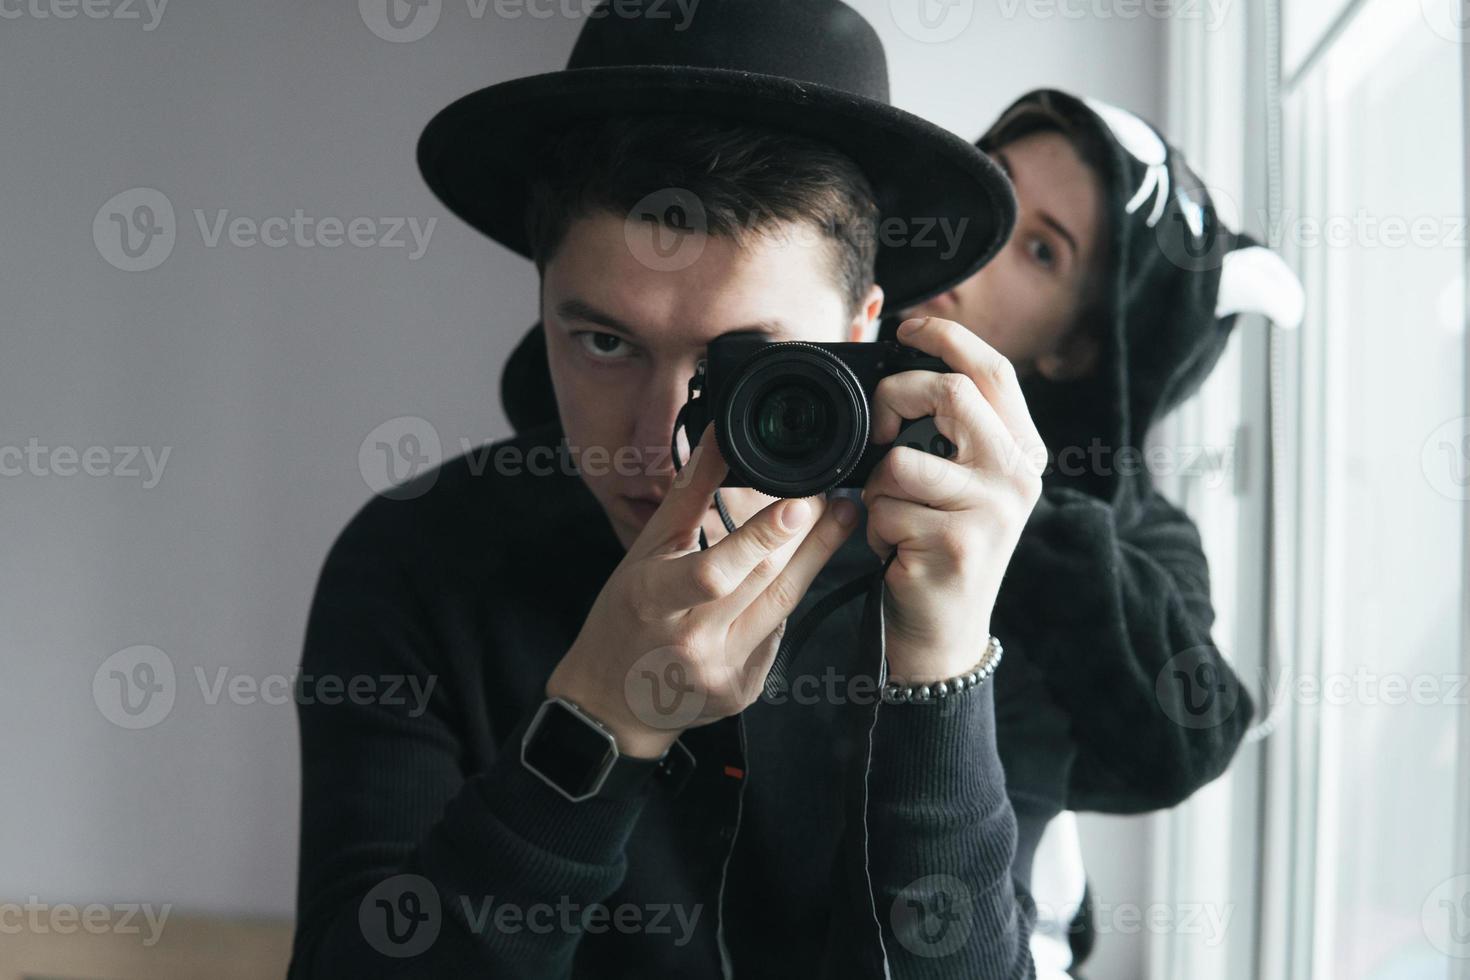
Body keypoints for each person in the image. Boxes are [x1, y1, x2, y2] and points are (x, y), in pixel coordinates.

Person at [289, 3, 1051, 977]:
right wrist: (597, 719)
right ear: (541, 309)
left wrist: (940, 668)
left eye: (742, 364)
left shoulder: (959, 558)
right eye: (605, 343)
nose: (660, 444)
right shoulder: (417, 562)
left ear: (863, 331)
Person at [891, 88, 1305, 973]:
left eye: (1040, 249)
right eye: (992, 184)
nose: (984, 237)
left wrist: (1010, 508)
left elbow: (1186, 733)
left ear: (1077, 345)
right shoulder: (802, 382)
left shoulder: (1136, 540)